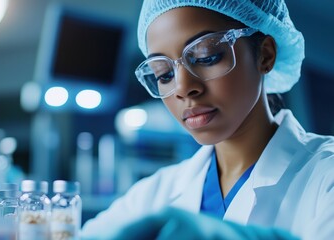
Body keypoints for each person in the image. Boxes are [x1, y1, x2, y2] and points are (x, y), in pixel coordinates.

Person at [81, 0, 334, 239]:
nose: (182, 88)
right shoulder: (154, 193)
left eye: (206, 57)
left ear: (265, 55)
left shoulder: (325, 177)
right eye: (164, 74)